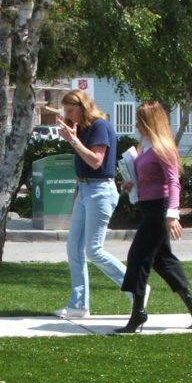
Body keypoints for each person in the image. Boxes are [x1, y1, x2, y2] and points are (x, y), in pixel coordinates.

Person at [114, 101, 192, 334]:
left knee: (138, 257)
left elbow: (174, 182)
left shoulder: (164, 148)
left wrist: (172, 215)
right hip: (147, 207)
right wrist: (131, 184)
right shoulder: (144, 146)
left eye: (140, 120)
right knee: (163, 260)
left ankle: (137, 314)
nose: (136, 124)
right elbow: (148, 177)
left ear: (150, 122)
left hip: (159, 210)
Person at [51, 89, 128, 319]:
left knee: (93, 250)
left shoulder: (99, 127)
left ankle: (135, 285)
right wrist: (77, 192)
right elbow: (84, 165)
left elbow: (96, 161)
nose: (68, 115)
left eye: (71, 110)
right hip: (85, 189)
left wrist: (73, 141)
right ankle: (78, 305)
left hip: (101, 190)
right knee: (74, 247)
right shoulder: (83, 129)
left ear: (82, 107)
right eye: (65, 110)